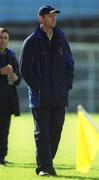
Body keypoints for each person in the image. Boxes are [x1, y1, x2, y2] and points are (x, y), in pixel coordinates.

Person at [20, 5, 74, 176]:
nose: (54, 19)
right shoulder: (31, 42)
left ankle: (45, 161)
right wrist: (39, 89)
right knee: (42, 132)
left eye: (55, 16)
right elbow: (25, 70)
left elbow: (69, 64)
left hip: (59, 95)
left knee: (56, 131)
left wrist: (66, 86)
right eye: (50, 16)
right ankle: (45, 167)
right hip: (40, 97)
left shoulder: (61, 39)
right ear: (41, 19)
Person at [0, 28, 21, 165]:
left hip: (7, 99)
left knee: (4, 129)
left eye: (6, 38)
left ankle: (2, 157)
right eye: (1, 37)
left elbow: (18, 77)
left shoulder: (11, 55)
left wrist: (15, 77)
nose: (3, 41)